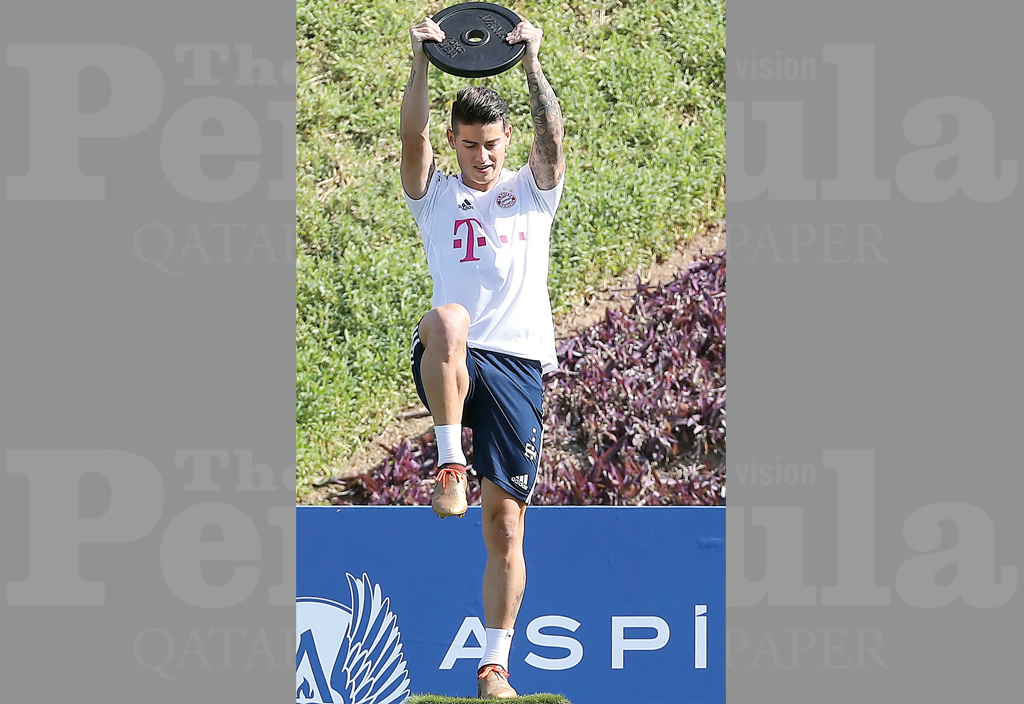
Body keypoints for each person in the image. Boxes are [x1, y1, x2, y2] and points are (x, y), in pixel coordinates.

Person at [400, 14, 565, 701]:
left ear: (505, 144)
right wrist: (419, 60)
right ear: (457, 145)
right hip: (456, 359)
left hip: (522, 364)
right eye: (470, 145)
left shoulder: (532, 189)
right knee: (447, 318)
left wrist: (530, 63)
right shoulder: (435, 195)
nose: (483, 157)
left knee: (506, 525)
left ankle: (494, 666)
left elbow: (552, 137)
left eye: (492, 145)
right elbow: (413, 136)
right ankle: (448, 466)